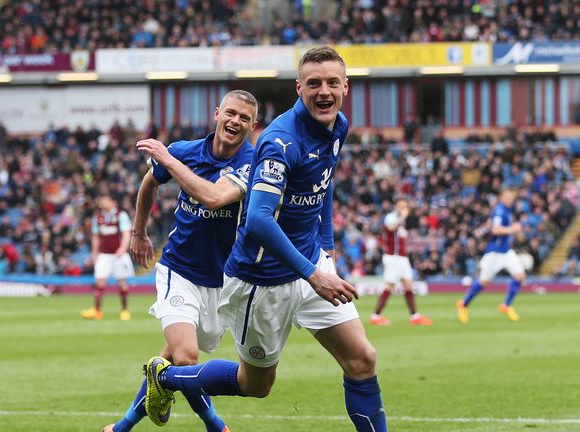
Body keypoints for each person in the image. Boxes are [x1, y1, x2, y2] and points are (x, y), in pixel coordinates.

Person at [141, 46, 387, 432]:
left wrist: (326, 246)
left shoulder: (337, 124)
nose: (324, 91)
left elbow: (324, 183)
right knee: (255, 385)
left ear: (346, 87)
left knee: (362, 360)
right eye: (313, 84)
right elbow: (256, 220)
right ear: (298, 88)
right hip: (263, 278)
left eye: (332, 83)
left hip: (308, 264)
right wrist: (314, 274)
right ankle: (166, 377)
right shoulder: (279, 143)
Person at [101, 89, 258, 432]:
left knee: (168, 363)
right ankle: (216, 425)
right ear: (217, 113)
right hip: (179, 271)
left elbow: (215, 198)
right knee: (186, 358)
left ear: (252, 125)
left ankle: (122, 426)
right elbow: (149, 182)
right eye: (230, 113)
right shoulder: (187, 151)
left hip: (221, 281)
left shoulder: (251, 163)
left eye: (244, 118)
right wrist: (139, 232)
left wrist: (168, 158)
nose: (235, 121)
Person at [456, 188, 526, 322]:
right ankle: (463, 305)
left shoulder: (507, 211)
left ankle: (506, 306)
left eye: (512, 197)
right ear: (502, 198)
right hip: (494, 252)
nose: (510, 200)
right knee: (484, 282)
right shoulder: (500, 211)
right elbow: (495, 229)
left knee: (520, 275)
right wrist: (513, 229)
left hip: (506, 251)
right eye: (508, 197)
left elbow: (490, 225)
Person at [370, 199, 433, 326]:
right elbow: (391, 227)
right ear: (397, 207)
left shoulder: (402, 222)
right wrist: (402, 217)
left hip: (402, 258)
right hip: (393, 257)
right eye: (403, 207)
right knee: (389, 286)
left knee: (408, 285)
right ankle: (375, 316)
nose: (406, 209)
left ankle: (415, 316)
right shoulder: (391, 217)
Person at [81, 193, 135, 321]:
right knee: (100, 282)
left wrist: (122, 248)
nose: (101, 202)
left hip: (118, 255)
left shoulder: (121, 215)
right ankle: (97, 311)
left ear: (113, 202)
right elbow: (95, 237)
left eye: (104, 199)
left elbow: (127, 233)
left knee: (122, 283)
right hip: (104, 255)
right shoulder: (98, 217)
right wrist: (94, 254)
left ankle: (124, 310)